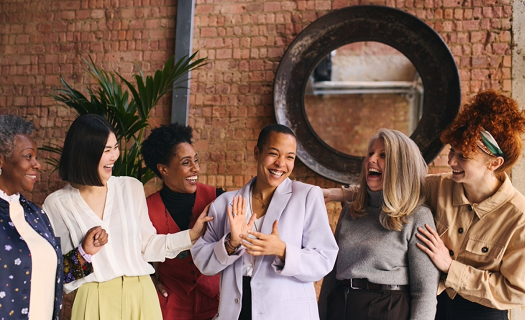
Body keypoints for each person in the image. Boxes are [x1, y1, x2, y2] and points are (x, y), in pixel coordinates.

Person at [42, 114, 212, 320]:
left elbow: (148, 246)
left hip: (141, 295)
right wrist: (84, 252)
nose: (115, 156)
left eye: (115, 147)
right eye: (107, 150)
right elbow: (60, 273)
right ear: (85, 152)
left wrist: (191, 236)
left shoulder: (130, 187)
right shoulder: (57, 204)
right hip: (94, 300)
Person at [190, 124, 339, 320]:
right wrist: (231, 244)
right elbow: (203, 262)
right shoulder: (225, 203)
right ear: (257, 153)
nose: (280, 164)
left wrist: (282, 250)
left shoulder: (307, 196)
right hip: (236, 310)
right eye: (274, 153)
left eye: (289, 157)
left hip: (287, 313)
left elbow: (324, 259)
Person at [415, 90, 525, 319]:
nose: (451, 161)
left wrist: (450, 267)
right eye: (452, 150)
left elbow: (515, 292)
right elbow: (397, 191)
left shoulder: (519, 217)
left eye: (463, 155)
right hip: (433, 305)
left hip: (484, 313)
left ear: (494, 163)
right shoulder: (439, 187)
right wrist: (335, 194)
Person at [318, 129, 440, 320]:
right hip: (340, 307)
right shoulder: (350, 211)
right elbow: (331, 278)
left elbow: (424, 292)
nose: (371, 160)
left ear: (400, 166)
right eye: (370, 153)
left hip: (388, 309)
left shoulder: (418, 216)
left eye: (383, 155)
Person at [141, 123, 223, 320]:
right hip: (171, 304)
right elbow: (136, 255)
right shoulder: (146, 207)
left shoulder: (217, 198)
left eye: (195, 160)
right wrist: (150, 280)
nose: (196, 168)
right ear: (164, 169)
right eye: (187, 162)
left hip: (216, 301)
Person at [0, 115, 64, 320]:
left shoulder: (37, 216)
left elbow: (55, 276)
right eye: (28, 156)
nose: (38, 165)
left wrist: (85, 254)